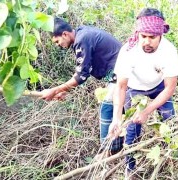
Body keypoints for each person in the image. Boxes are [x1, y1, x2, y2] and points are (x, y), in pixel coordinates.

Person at [108, 8, 178, 176]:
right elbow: (120, 87)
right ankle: (130, 168)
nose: (147, 42)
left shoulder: (169, 51)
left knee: (169, 119)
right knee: (133, 128)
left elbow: (170, 87)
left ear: (161, 34)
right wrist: (116, 118)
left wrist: (147, 111)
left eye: (152, 37)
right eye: (143, 36)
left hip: (159, 87)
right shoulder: (128, 51)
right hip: (135, 89)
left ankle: (167, 157)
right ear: (138, 33)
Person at [41, 17, 124, 153]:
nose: (58, 45)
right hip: (118, 74)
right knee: (119, 109)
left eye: (57, 41)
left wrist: (55, 90)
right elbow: (83, 71)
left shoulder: (82, 39)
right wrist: (64, 91)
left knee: (107, 107)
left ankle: (107, 151)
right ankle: (119, 147)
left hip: (122, 73)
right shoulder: (82, 34)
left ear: (65, 34)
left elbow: (81, 76)